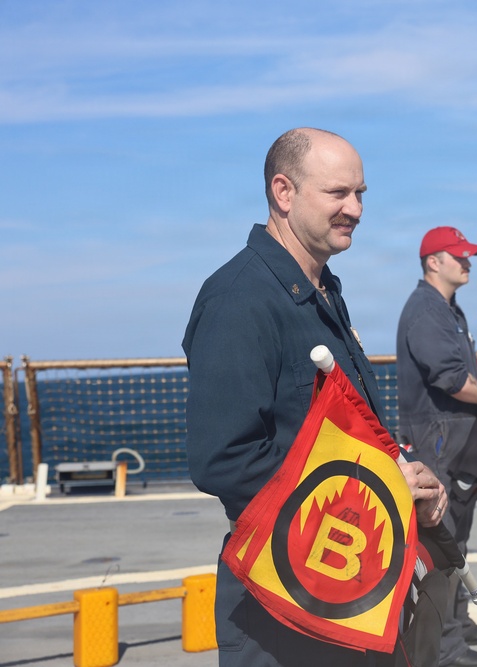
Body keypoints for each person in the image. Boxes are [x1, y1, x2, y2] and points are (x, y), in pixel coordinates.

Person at [183, 128, 448, 667]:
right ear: (284, 192)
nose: (355, 208)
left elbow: (339, 430)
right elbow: (223, 460)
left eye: (361, 194)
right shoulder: (240, 300)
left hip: (345, 589)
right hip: (284, 608)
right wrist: (375, 489)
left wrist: (400, 474)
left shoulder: (323, 290)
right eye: (338, 194)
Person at [395, 227, 477, 667]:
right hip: (439, 438)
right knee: (442, 544)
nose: (468, 262)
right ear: (433, 262)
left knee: (458, 535)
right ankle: (447, 651)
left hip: (455, 437)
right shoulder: (427, 310)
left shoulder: (447, 309)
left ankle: (458, 625)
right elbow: (450, 378)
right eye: (459, 256)